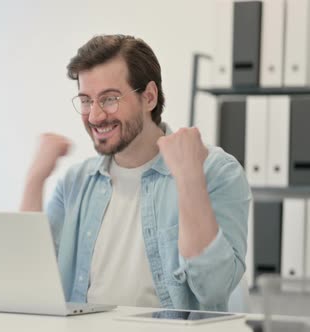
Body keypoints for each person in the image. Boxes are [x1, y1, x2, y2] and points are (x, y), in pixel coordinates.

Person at [20, 35, 251, 311]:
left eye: (109, 99)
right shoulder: (75, 183)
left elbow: (214, 291)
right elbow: (28, 283)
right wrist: (35, 179)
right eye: (85, 100)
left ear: (149, 97)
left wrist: (190, 180)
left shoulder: (215, 171)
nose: (94, 116)